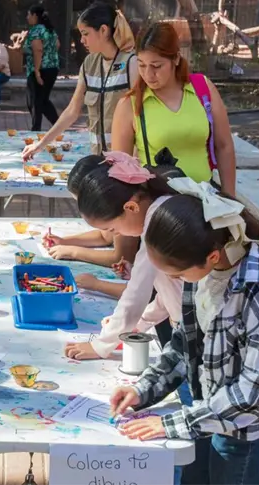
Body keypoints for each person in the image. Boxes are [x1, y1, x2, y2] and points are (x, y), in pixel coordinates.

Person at [111, 180, 259, 485]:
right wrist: (144, 389)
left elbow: (253, 393)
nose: (175, 281)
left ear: (213, 256)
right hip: (211, 416)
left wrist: (176, 423)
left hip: (251, 434)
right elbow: (185, 342)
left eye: (177, 275)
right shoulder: (203, 268)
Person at [63, 152, 185, 362]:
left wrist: (101, 345)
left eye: (112, 227)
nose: (116, 234)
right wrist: (140, 323)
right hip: (192, 328)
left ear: (131, 207)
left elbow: (136, 294)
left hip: (203, 335)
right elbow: (171, 291)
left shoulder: (158, 223)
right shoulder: (160, 210)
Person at [112, 22, 237, 195]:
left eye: (156, 66)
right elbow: (121, 170)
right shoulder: (129, 105)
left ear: (176, 59)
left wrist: (229, 198)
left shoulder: (203, 88)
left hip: (207, 202)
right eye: (141, 65)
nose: (148, 74)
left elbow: (224, 146)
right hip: (161, 207)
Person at [23, 2, 138, 159]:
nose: (82, 40)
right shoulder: (89, 64)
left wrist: (136, 163)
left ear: (103, 30)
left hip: (126, 163)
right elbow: (72, 111)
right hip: (98, 159)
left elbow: (141, 117)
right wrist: (40, 144)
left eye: (85, 34)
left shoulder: (132, 64)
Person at [41, 154, 128, 270]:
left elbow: (121, 258)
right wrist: (64, 241)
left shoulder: (123, 208)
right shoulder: (112, 201)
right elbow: (105, 237)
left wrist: (73, 252)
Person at [23, 4, 60, 131]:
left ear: (35, 16)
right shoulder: (50, 29)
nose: (27, 17)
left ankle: (35, 130)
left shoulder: (36, 30)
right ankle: (58, 125)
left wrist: (37, 72)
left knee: (34, 102)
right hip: (52, 68)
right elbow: (57, 45)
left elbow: (37, 50)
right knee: (43, 101)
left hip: (39, 70)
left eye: (29, 14)